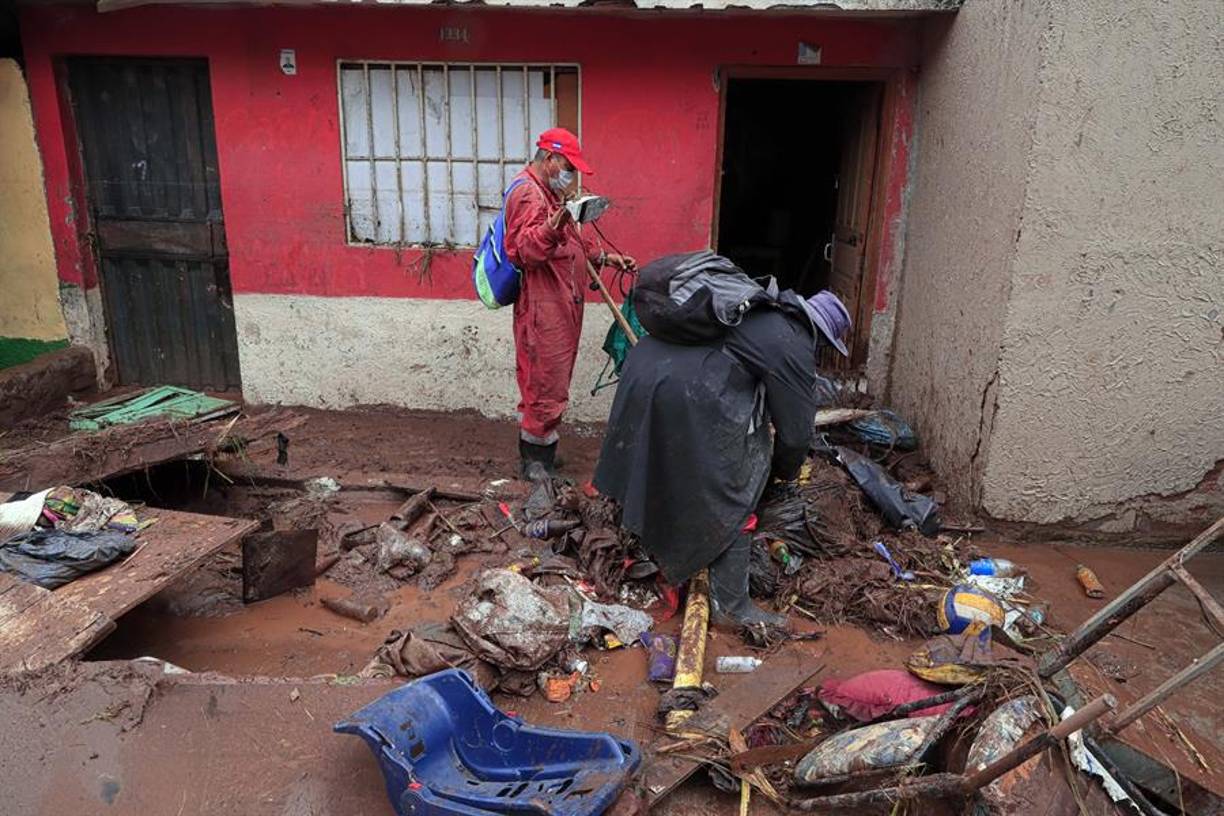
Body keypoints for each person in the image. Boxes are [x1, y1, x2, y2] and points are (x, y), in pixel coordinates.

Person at [593, 288, 852, 626]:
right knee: (739, 476)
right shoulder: (793, 342)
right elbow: (795, 435)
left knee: (667, 463)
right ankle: (731, 606)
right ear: (818, 332)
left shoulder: (760, 312)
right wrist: (778, 480)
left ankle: (662, 544)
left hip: (645, 369)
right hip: (683, 390)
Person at [504, 128, 635, 478]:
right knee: (543, 380)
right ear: (549, 159)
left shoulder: (549, 192)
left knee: (553, 378)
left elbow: (572, 244)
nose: (572, 176)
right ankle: (535, 462)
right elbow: (524, 251)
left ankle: (542, 445)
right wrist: (553, 224)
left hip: (563, 301)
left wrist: (606, 258)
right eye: (568, 167)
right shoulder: (528, 195)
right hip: (543, 305)